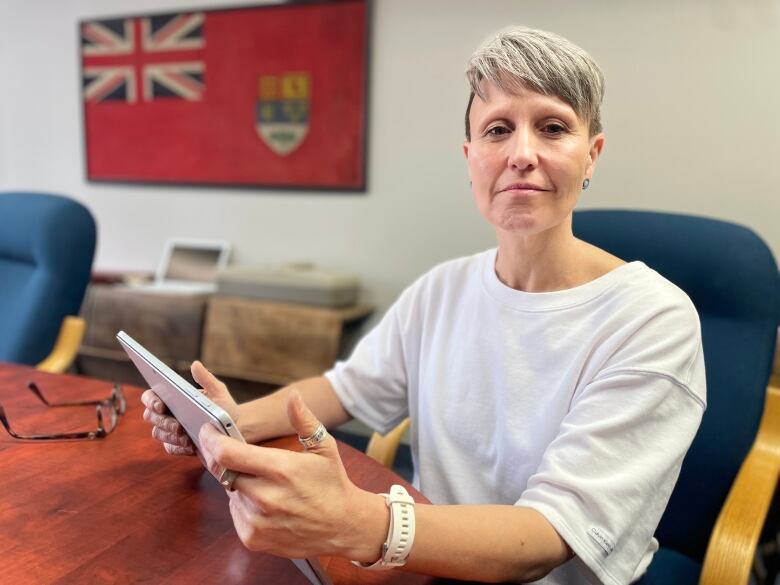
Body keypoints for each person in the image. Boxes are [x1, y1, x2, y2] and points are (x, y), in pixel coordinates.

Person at [142, 26, 705, 584]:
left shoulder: (652, 319)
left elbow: (547, 537)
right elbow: (345, 389)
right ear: (470, 157)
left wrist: (358, 522)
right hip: (431, 569)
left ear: (592, 156)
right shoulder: (442, 289)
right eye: (498, 130)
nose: (522, 154)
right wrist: (225, 423)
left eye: (553, 128)